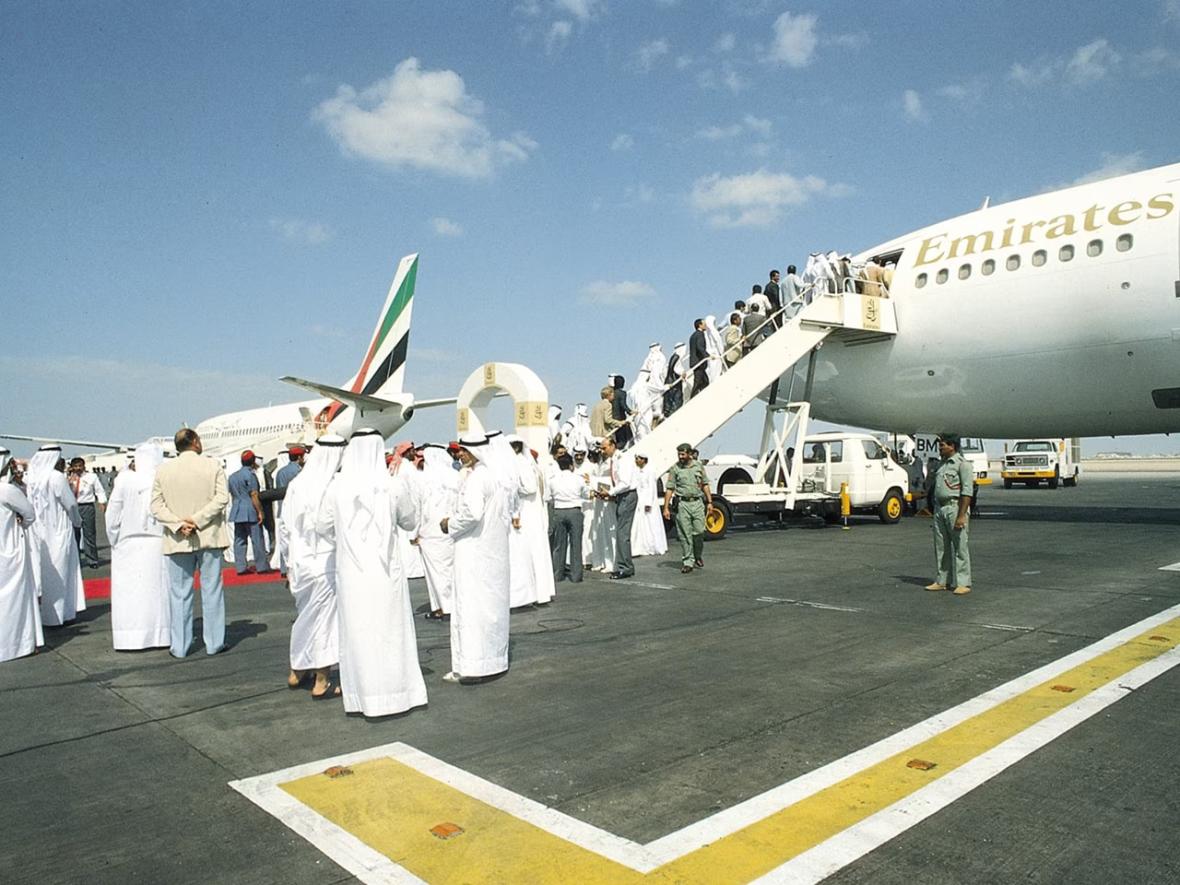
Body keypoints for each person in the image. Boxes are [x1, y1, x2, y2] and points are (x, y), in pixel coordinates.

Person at [319, 428, 428, 715]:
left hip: (353, 573)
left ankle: (362, 698)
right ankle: (397, 696)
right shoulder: (391, 485)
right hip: (384, 572)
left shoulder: (336, 487)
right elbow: (410, 520)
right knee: (390, 632)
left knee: (358, 632)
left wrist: (345, 539)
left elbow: (322, 526)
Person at [151, 429, 230, 658]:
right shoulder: (212, 466)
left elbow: (156, 506)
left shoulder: (163, 470)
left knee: (179, 593)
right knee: (212, 590)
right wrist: (197, 521)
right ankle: (215, 642)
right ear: (195, 442)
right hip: (209, 536)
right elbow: (221, 498)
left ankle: (181, 645)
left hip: (178, 539)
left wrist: (178, 524)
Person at [279, 434, 346, 699]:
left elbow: (284, 528)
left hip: (299, 562)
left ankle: (297, 670)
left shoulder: (296, 484)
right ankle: (321, 680)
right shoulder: (334, 485)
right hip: (325, 562)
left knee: (305, 617)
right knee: (325, 622)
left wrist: (287, 563)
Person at [442, 435, 511, 683]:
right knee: (489, 606)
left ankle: (472, 667)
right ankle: (489, 662)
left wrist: (448, 524)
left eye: (464, 450)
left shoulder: (478, 478)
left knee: (470, 607)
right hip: (490, 552)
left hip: (473, 552)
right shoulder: (494, 476)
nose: (460, 454)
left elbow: (471, 514)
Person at [105, 443, 170, 651]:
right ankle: (161, 635)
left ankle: (129, 639)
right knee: (157, 593)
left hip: (128, 544)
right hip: (156, 543)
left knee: (129, 595)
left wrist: (114, 540)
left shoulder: (124, 480)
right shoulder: (163, 480)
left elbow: (112, 516)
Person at [26, 446, 84, 627]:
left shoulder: (32, 477)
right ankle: (61, 615)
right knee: (61, 571)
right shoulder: (56, 477)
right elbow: (71, 504)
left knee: (44, 572)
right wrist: (77, 522)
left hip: (39, 532)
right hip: (58, 529)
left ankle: (50, 614)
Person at [509, 435, 555, 606]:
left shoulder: (520, 463)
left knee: (531, 551)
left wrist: (513, 488)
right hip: (531, 512)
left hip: (527, 512)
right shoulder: (527, 463)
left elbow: (529, 487)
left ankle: (537, 592)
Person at [925, 433, 974, 595]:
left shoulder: (962, 465)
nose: (940, 447)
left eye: (943, 445)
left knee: (960, 546)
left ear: (952, 446)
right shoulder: (941, 465)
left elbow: (967, 492)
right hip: (940, 509)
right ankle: (942, 580)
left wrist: (961, 515)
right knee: (941, 547)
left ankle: (963, 582)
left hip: (955, 507)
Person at [414, 444, 458, 620]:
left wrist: (415, 532)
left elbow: (421, 510)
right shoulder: (455, 478)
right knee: (449, 569)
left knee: (435, 573)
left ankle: (443, 607)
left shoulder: (425, 480)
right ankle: (447, 605)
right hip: (450, 529)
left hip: (431, 532)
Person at [0, 479, 39, 662]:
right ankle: (17, 645)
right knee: (14, 600)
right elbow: (30, 514)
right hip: (9, 550)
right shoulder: (7, 490)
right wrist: (20, 523)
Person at [663, 443, 714, 573]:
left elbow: (705, 484)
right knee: (685, 534)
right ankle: (688, 561)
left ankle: (697, 555)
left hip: (697, 502)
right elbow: (670, 488)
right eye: (679, 454)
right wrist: (666, 507)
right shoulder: (675, 469)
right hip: (683, 504)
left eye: (683, 454)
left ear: (690, 454)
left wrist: (709, 502)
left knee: (699, 532)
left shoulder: (698, 466)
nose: (680, 457)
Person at [599, 437, 637, 580]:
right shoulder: (615, 459)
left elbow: (625, 483)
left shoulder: (623, 459)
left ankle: (625, 567)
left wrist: (610, 492)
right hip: (622, 496)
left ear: (613, 445)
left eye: (605, 448)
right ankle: (625, 565)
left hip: (627, 495)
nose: (603, 451)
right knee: (621, 532)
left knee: (622, 533)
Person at [549, 453, 590, 583]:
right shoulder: (578, 479)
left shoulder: (553, 480)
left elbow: (548, 497)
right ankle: (576, 575)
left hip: (559, 510)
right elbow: (586, 493)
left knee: (559, 545)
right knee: (576, 544)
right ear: (571, 465)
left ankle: (557, 574)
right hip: (574, 510)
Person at [228, 450, 268, 575]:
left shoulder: (232, 476)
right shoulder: (250, 475)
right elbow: (254, 495)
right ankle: (261, 566)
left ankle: (240, 567)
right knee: (257, 539)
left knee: (239, 540)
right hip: (250, 509)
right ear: (252, 461)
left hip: (237, 509)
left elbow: (233, 495)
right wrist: (260, 511)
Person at [67, 457, 106, 568]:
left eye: (80, 465)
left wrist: (102, 502)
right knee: (74, 534)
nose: (78, 468)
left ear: (84, 466)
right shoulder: (67, 478)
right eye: (76, 466)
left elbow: (99, 490)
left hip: (87, 506)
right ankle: (76, 561)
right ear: (72, 467)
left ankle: (92, 560)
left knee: (89, 534)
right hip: (73, 507)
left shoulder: (91, 477)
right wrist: (69, 481)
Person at [630, 454, 667, 557]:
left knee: (650, 522)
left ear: (644, 460)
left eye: (638, 459)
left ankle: (653, 545)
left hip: (647, 499)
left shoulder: (650, 471)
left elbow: (651, 488)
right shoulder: (637, 471)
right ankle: (642, 546)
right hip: (639, 499)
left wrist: (648, 503)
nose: (636, 461)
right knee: (641, 523)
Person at [663, 343, 688, 416]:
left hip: (673, 382)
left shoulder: (675, 357)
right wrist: (681, 373)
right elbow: (674, 368)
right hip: (674, 383)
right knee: (677, 400)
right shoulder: (676, 357)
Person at [689, 319, 710, 397]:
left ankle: (701, 395)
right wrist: (707, 355)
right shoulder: (700, 334)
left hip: (695, 362)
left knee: (705, 381)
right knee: (698, 381)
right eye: (704, 324)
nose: (706, 326)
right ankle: (693, 397)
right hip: (698, 362)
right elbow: (700, 347)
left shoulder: (693, 335)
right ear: (700, 325)